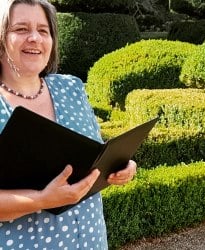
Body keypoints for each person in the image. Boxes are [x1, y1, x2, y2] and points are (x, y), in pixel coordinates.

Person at [0, 0, 137, 248]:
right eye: (21, 29)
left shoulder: (71, 88)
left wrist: (120, 165)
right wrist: (41, 200)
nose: (34, 38)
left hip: (90, 238)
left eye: (43, 30)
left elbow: (95, 153)